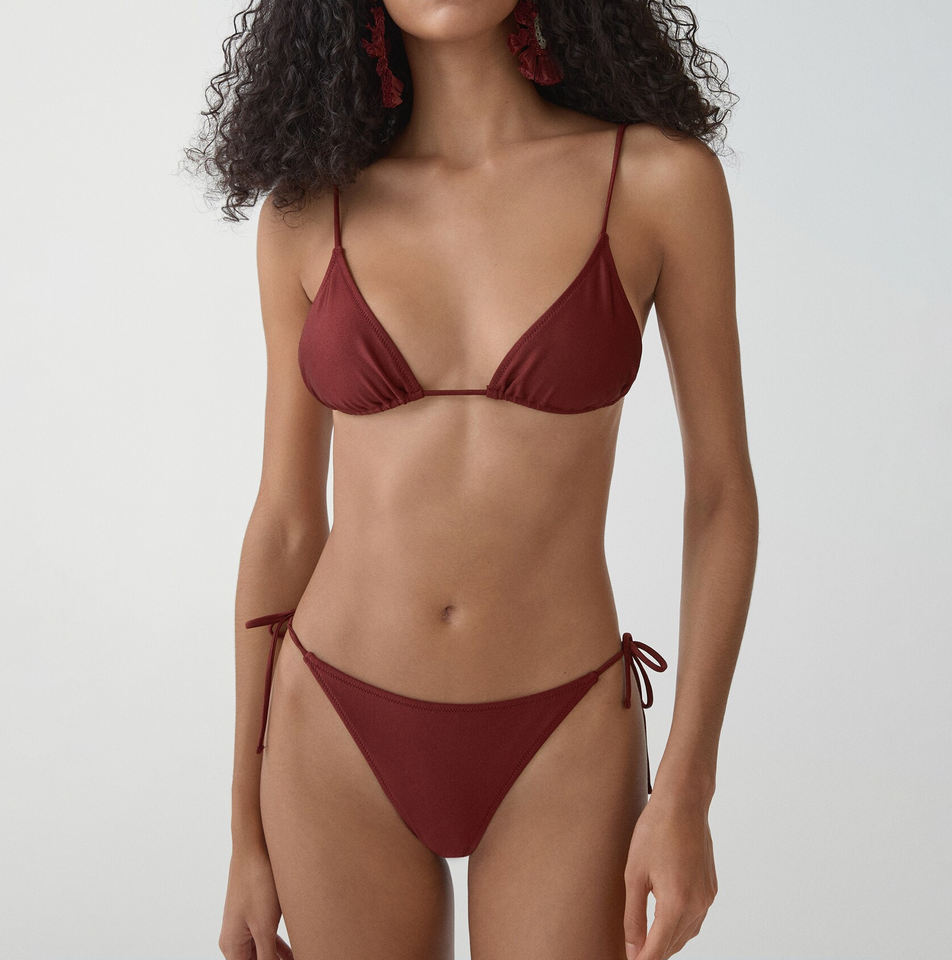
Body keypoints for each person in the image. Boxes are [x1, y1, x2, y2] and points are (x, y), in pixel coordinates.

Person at [184, 2, 757, 958]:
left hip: (565, 730)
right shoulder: (306, 210)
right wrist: (243, 828)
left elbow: (722, 495)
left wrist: (687, 791)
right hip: (333, 726)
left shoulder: (657, 181)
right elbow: (284, 520)